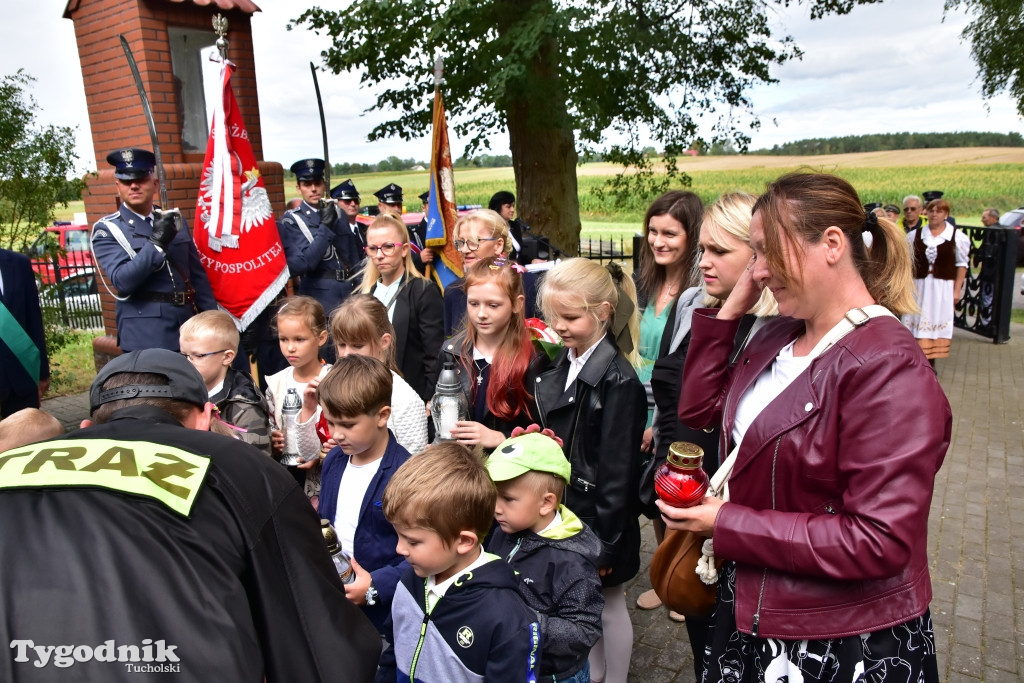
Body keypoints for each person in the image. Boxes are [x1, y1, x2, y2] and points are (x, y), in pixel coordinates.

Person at [667, 171, 948, 682]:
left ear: (833, 244)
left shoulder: (888, 365)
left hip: (835, 635)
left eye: (769, 252)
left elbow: (880, 540)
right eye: (754, 255)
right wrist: (731, 309)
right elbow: (698, 410)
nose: (761, 271)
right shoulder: (777, 334)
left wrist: (726, 523)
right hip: (756, 600)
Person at [0, 348, 381, 681]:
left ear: (87, 427)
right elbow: (316, 640)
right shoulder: (240, 467)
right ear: (205, 418)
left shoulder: (9, 465)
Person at [647, 192, 777, 679]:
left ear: (759, 255)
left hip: (730, 517)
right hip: (685, 490)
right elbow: (681, 398)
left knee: (728, 643)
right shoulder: (696, 302)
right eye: (702, 249)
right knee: (703, 635)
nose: (703, 263)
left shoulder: (772, 330)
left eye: (719, 251)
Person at [534, 258, 646, 683]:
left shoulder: (619, 381)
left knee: (611, 603)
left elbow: (618, 473)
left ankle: (613, 677)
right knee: (582, 601)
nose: (559, 326)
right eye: (553, 316)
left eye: (570, 317)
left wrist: (606, 544)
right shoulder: (569, 360)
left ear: (601, 312)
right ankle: (594, 673)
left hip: (598, 520)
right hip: (569, 510)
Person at [379, 442, 542, 682]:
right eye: (398, 535)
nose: (399, 549)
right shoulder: (409, 581)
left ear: (464, 541)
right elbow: (394, 650)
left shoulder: (506, 619)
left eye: (412, 541)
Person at [484, 427, 604, 683]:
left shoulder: (572, 563)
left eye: (507, 498)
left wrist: (526, 625)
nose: (496, 508)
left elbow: (584, 629)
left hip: (554, 674)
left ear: (546, 503)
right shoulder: (504, 531)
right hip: (512, 662)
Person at [315, 354, 413, 633]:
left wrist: (374, 585)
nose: (336, 434)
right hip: (335, 598)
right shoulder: (334, 460)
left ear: (382, 415)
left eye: (347, 425)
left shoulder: (405, 474)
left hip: (384, 615)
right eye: (331, 422)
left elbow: (423, 553)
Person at [91, 148, 217, 352]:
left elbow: (196, 274)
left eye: (140, 179)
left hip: (187, 326)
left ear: (154, 184)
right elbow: (123, 280)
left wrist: (212, 320)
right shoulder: (108, 229)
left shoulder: (173, 220)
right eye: (125, 181)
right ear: (117, 186)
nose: (133, 185)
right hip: (145, 333)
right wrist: (156, 243)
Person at [439, 257, 539, 451]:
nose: (481, 314)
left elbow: (543, 432)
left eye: (493, 305)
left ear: (517, 304)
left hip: (505, 472)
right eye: (474, 303)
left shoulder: (530, 361)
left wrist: (501, 437)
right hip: (458, 470)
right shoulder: (450, 352)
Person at [358, 215, 444, 402]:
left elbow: (434, 355)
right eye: (373, 248)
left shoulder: (422, 290)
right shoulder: (365, 296)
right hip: (370, 395)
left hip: (412, 396)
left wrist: (430, 399)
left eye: (388, 247)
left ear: (404, 250)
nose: (379, 255)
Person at [330, 294, 428, 454]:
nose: (346, 354)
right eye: (341, 345)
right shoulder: (332, 385)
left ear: (384, 342)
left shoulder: (403, 399)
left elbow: (413, 464)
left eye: (357, 345)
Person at [278, 159, 363, 324]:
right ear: (299, 188)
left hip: (348, 294)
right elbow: (305, 263)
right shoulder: (293, 219)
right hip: (318, 298)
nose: (313, 189)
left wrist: (361, 292)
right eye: (307, 184)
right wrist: (325, 226)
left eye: (317, 183)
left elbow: (353, 259)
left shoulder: (338, 213)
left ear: (324, 184)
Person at [265, 296, 331, 500]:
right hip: (287, 479)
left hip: (323, 481)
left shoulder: (333, 379)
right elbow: (270, 422)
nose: (290, 348)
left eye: (299, 339)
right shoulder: (276, 383)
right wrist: (273, 440)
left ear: (321, 338)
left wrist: (320, 454)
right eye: (283, 339)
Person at [180, 310, 272, 455]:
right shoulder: (180, 392)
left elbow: (254, 463)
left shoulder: (244, 408)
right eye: (184, 355)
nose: (188, 363)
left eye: (198, 356)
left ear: (227, 357)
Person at [443, 209, 540, 337]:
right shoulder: (453, 291)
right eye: (460, 243)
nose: (465, 250)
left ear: (498, 245)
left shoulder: (530, 284)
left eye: (474, 242)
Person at [902, 197, 970, 365]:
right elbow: (907, 263)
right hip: (919, 285)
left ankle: (930, 362)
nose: (934, 215)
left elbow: (962, 266)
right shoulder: (914, 235)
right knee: (915, 319)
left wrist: (956, 290)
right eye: (931, 211)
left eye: (939, 211)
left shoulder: (956, 236)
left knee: (935, 320)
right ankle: (914, 360)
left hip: (941, 287)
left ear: (946, 214)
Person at [0, 248, 50, 416]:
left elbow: (34, 319)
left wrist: (42, 372)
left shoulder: (19, 263)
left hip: (21, 377)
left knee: (26, 440)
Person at [330, 178, 366, 247]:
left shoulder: (366, 229)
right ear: (335, 203)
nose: (353, 204)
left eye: (356, 200)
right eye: (347, 200)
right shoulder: (333, 232)